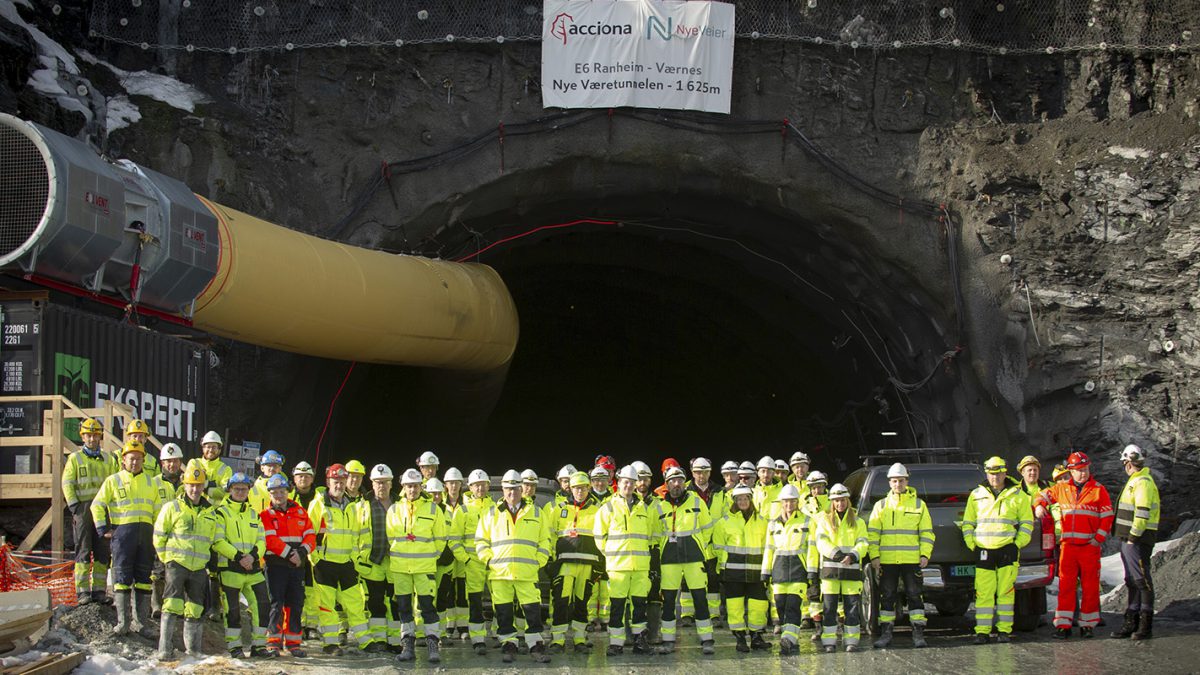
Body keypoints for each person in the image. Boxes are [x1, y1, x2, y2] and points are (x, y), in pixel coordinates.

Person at [91, 439, 170, 638]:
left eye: (138, 459)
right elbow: (97, 505)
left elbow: (158, 512)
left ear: (144, 460)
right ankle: (123, 623)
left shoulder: (151, 483)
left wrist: (158, 536)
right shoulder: (113, 481)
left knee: (144, 580)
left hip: (146, 536)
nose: (134, 462)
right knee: (122, 580)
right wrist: (103, 529)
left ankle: (141, 623)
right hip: (123, 536)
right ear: (124, 460)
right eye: (131, 459)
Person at [1033, 451, 1113, 639]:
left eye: (1085, 469)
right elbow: (1041, 495)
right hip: (1068, 547)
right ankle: (1063, 625)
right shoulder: (1062, 488)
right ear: (1071, 471)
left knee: (1090, 587)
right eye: (1078, 470)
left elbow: (1107, 517)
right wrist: (1038, 505)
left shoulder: (1098, 490)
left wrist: (1098, 539)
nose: (1082, 473)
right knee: (1067, 587)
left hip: (1089, 547)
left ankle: (1087, 625)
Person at [476, 469, 552, 663]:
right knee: (503, 612)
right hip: (500, 572)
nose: (512, 493)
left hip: (527, 572)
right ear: (502, 489)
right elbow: (481, 541)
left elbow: (545, 540)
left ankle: (536, 645)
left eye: (516, 489)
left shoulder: (536, 512)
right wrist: (489, 560)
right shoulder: (491, 513)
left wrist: (539, 561)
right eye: (508, 489)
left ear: (521, 489)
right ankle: (508, 644)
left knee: (533, 611)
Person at [961, 456, 1033, 644]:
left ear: (1005, 472)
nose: (995, 477)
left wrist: (1018, 543)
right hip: (984, 549)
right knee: (984, 593)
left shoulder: (1018, 496)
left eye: (998, 473)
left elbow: (1027, 522)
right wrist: (972, 543)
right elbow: (968, 522)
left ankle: (1004, 631)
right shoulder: (976, 495)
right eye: (992, 473)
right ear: (986, 473)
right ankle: (982, 632)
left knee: (1005, 592)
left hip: (1007, 550)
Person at [154, 461, 220, 659]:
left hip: (199, 567)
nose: (194, 489)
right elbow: (159, 535)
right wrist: (167, 560)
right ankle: (164, 650)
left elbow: (216, 541)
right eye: (191, 484)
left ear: (203, 486)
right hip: (177, 564)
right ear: (184, 484)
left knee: (195, 608)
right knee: (172, 605)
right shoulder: (172, 507)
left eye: (198, 485)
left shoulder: (210, 513)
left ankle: (193, 651)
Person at [594, 465, 660, 655]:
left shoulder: (645, 508)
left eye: (632, 483)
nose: (629, 486)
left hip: (640, 567)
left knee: (640, 606)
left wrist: (645, 553)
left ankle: (640, 642)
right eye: (625, 482)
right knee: (617, 607)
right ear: (618, 483)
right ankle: (616, 644)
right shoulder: (608, 507)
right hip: (617, 568)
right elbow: (599, 536)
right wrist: (612, 554)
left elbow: (654, 533)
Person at [867, 462, 934, 648]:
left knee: (915, 595)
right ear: (889, 483)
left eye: (901, 480)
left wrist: (925, 554)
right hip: (888, 562)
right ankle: (886, 633)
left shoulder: (920, 505)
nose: (898, 484)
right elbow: (873, 534)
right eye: (895, 481)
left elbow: (927, 533)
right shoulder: (880, 506)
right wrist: (875, 557)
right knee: (887, 596)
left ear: (907, 481)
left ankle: (918, 633)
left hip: (911, 561)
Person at [307, 463, 369, 654]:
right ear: (328, 482)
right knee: (327, 607)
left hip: (346, 563)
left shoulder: (351, 506)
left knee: (355, 602)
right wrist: (315, 559)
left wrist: (353, 557)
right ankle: (330, 644)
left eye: (342, 482)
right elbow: (309, 532)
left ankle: (365, 641)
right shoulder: (318, 504)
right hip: (325, 564)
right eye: (336, 481)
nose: (339, 485)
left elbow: (354, 534)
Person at [654, 466, 716, 655]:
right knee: (669, 601)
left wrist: (697, 545)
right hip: (669, 560)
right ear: (666, 484)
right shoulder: (659, 505)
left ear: (684, 482)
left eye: (680, 480)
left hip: (694, 558)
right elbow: (656, 535)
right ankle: (668, 640)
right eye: (672, 481)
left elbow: (707, 529)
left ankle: (707, 639)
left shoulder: (697, 501)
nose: (677, 484)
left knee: (699, 598)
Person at [387, 468, 446, 663]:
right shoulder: (394, 509)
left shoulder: (433, 509)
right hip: (401, 568)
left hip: (424, 568)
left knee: (427, 607)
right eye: (409, 486)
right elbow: (390, 537)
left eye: (416, 486)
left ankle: (432, 646)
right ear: (403, 487)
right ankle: (407, 646)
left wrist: (430, 557)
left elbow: (440, 539)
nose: (412, 490)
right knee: (404, 608)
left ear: (421, 487)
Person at [211, 471, 271, 658]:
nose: (240, 492)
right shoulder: (221, 513)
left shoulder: (254, 514)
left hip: (253, 569)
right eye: (236, 489)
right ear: (229, 489)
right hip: (230, 569)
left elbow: (262, 540)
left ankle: (259, 646)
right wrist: (239, 557)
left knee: (263, 605)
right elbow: (218, 541)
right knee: (233, 610)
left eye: (244, 489)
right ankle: (235, 647)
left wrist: (253, 557)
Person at [62, 417, 118, 605]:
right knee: (83, 549)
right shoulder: (74, 459)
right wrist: (75, 507)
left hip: (103, 510)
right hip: (83, 509)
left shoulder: (109, 459)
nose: (92, 439)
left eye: (95, 435)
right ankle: (83, 592)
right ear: (82, 436)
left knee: (103, 551)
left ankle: (99, 591)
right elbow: (67, 483)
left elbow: (115, 485)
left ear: (100, 436)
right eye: (88, 435)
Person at [260, 473, 315, 657]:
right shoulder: (265, 515)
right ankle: (273, 643)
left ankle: (293, 643)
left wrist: (301, 553)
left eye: (281, 491)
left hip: (297, 564)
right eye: (274, 492)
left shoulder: (299, 511)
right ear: (269, 494)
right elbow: (269, 539)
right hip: (276, 565)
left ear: (287, 491)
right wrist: (289, 554)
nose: (279, 496)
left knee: (295, 604)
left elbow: (310, 535)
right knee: (276, 603)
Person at [548, 471, 601, 653]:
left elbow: (603, 537)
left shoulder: (598, 509)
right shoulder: (559, 509)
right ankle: (558, 640)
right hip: (564, 565)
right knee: (561, 602)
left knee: (582, 603)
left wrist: (601, 565)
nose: (580, 491)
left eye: (583, 488)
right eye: (576, 488)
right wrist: (551, 563)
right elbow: (549, 536)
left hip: (588, 565)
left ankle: (579, 638)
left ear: (589, 488)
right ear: (570, 488)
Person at [1111, 444, 1160, 641]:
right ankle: (1131, 621)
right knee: (1132, 580)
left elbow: (1141, 513)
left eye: (1125, 463)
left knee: (1141, 580)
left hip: (1137, 540)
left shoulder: (1142, 482)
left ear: (1129, 463)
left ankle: (1144, 625)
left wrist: (1132, 538)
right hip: (1130, 540)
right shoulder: (1136, 481)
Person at [716, 484, 770, 652]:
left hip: (756, 573)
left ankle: (756, 637)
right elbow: (718, 548)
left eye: (746, 498)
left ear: (750, 500)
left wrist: (767, 570)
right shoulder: (724, 522)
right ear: (734, 501)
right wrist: (722, 569)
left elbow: (767, 547)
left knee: (758, 606)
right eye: (739, 499)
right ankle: (740, 638)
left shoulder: (762, 522)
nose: (743, 501)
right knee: (735, 607)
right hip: (733, 573)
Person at [815, 484, 868, 653]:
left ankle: (851, 641)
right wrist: (837, 554)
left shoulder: (858, 521)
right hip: (830, 571)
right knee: (829, 608)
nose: (840, 504)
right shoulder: (824, 520)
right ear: (832, 502)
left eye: (843, 500)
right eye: (836, 501)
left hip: (851, 570)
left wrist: (853, 555)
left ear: (847, 501)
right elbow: (821, 541)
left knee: (851, 608)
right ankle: (829, 642)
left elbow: (863, 542)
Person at [762, 483, 810, 655]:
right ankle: (790, 638)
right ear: (782, 503)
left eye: (792, 501)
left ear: (797, 502)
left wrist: (811, 570)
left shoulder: (806, 521)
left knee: (793, 606)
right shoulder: (773, 524)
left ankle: (788, 638)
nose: (789, 505)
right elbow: (769, 549)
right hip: (779, 570)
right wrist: (765, 571)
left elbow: (811, 548)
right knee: (781, 605)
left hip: (799, 569)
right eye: (786, 501)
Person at [357, 464, 395, 653]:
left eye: (385, 482)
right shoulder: (363, 505)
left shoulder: (399, 504)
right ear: (372, 483)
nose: (381, 486)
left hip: (396, 561)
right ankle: (380, 638)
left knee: (396, 602)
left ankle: (396, 641)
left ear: (391, 484)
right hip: (373, 561)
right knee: (376, 602)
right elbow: (354, 533)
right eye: (378, 482)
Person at [460, 469, 494, 653]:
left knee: (500, 600)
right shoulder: (463, 509)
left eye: (483, 484)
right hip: (472, 563)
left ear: (488, 486)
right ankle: (478, 639)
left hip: (493, 562)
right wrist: (465, 559)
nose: (480, 488)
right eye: (476, 485)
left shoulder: (496, 508)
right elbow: (454, 539)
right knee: (475, 602)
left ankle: (500, 635)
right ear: (470, 487)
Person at [151, 443, 185, 615]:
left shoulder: (187, 483)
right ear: (162, 463)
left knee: (178, 571)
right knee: (158, 570)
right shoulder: (154, 483)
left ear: (180, 462)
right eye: (168, 462)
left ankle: (176, 605)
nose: (172, 465)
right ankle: (156, 604)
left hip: (181, 535)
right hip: (161, 533)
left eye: (175, 461)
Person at [440, 467, 470, 642]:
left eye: (456, 483)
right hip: (446, 553)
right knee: (447, 591)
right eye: (450, 483)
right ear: (445, 485)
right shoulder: (438, 503)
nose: (453, 486)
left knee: (462, 591)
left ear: (461, 485)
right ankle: (449, 625)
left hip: (462, 552)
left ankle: (463, 626)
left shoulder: (467, 504)